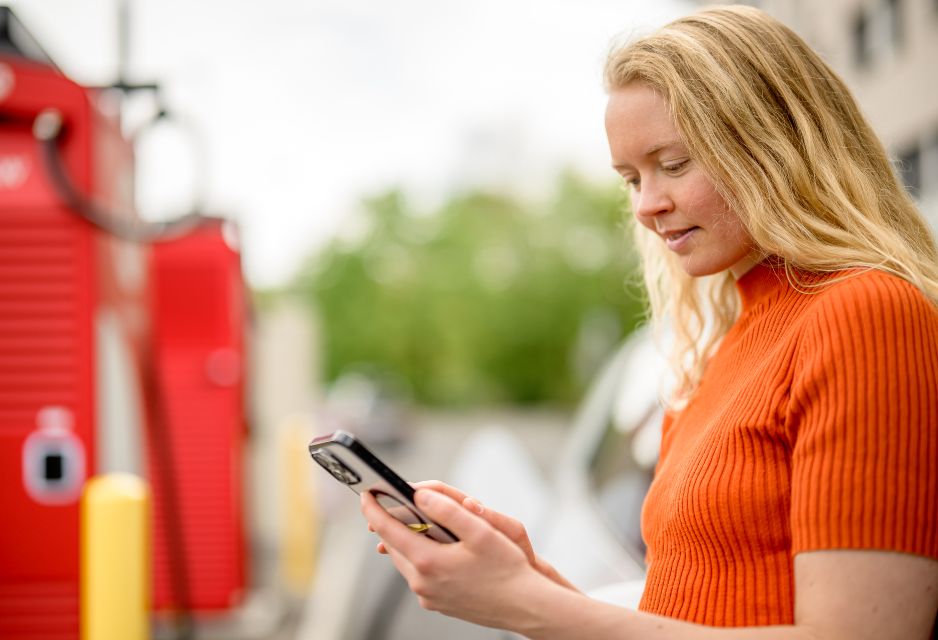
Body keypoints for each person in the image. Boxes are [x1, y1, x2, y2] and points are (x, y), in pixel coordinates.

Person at [361, 5, 938, 639]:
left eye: (673, 163)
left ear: (772, 142)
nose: (645, 205)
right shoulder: (714, 350)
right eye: (630, 178)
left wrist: (528, 606)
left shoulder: (866, 313)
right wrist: (524, 578)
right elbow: (688, 614)